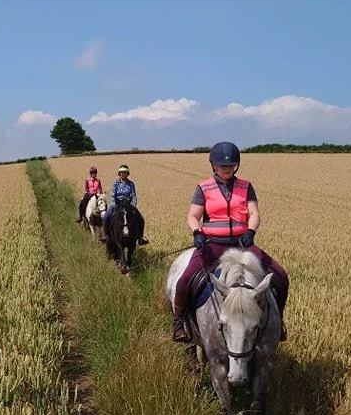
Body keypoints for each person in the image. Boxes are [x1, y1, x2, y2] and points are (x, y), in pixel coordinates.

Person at [172, 142, 289, 342]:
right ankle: (179, 323)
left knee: (280, 275)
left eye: (231, 165)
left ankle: (278, 322)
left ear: (236, 165)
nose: (227, 168)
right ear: (213, 166)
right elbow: (193, 215)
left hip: (242, 244)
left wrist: (251, 230)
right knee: (185, 280)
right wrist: (197, 232)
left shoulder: (246, 186)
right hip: (213, 244)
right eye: (222, 165)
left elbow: (254, 212)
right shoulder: (203, 187)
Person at [102, 164, 149, 245]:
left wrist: (133, 205)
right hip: (117, 205)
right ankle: (106, 236)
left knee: (141, 219)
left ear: (127, 174)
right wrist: (114, 205)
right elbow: (113, 195)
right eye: (121, 173)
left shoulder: (131, 184)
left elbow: (133, 195)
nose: (123, 174)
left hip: (128, 205)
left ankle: (140, 238)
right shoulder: (115, 183)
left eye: (125, 173)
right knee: (106, 217)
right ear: (119, 174)